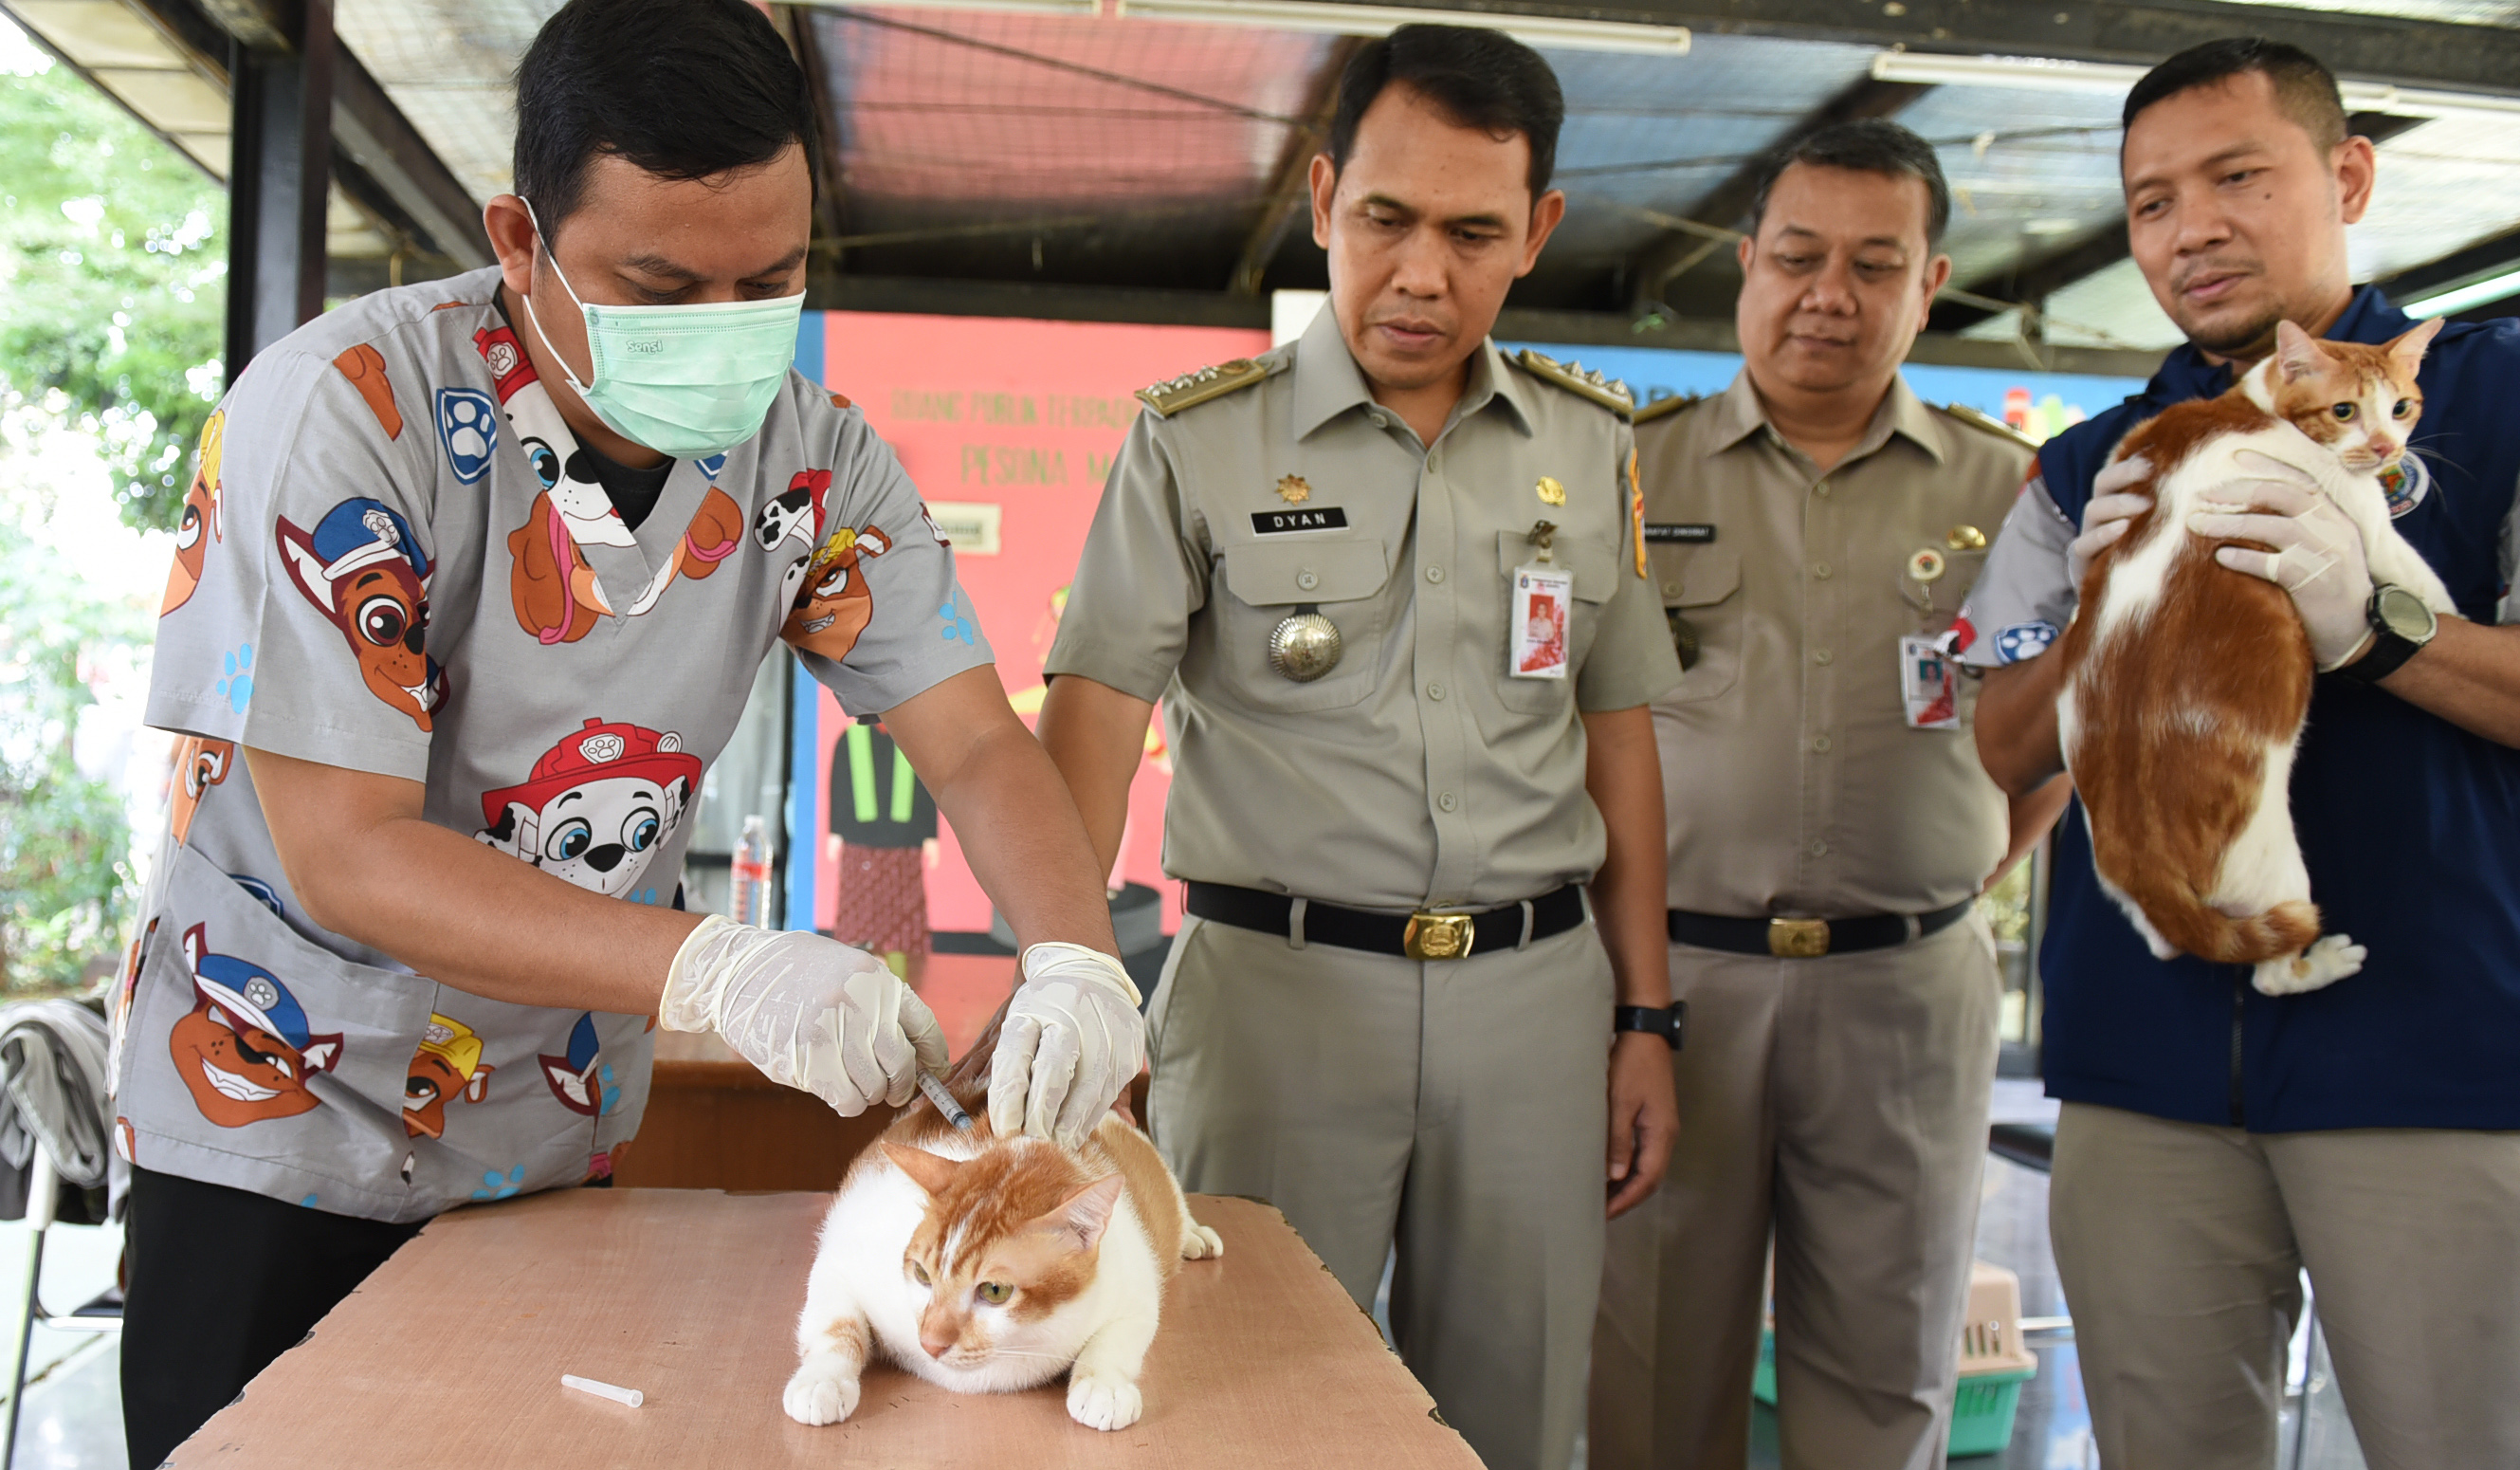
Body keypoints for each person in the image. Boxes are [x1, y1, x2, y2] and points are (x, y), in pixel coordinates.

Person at [116, 1, 1142, 1462]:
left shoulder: (812, 461)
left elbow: (975, 742)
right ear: (519, 240)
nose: (720, 331)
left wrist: (1073, 960)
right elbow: (348, 851)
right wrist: (717, 967)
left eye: (767, 282)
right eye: (660, 287)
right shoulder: (348, 416)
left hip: (544, 1133)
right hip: (278, 1123)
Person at [1032, 26, 1683, 1470]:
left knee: (1513, 1418)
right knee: (1235, 1404)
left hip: (1534, 1006)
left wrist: (1647, 1015)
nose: (1421, 274)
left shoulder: (1590, 447)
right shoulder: (1197, 443)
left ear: (1538, 232)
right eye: (1386, 218)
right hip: (1273, 1001)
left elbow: (1620, 736)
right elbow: (1094, 719)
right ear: (1324, 200)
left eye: (1473, 233)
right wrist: (1064, 983)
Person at [1963, 38, 2520, 1470]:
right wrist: (2097, 622)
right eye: (2152, 202)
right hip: (2139, 1068)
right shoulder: (2089, 459)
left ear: (2347, 176)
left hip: (2434, 1056)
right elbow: (2002, 746)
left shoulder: (2494, 401)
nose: (2191, 228)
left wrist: (2381, 632)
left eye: (2235, 177)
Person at [1587, 119, 2068, 1470]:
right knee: (1648, 1363)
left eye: (1874, 263)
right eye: (1798, 257)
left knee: (1886, 1368)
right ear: (1746, 263)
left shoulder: (2009, 491)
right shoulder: (1625, 471)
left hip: (1904, 991)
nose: (1829, 295)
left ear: (1930, 282)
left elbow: (2050, 741)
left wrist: (1959, 867)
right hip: (1668, 986)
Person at [828, 715, 939, 982]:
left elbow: (927, 788)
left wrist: (930, 835)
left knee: (904, 915)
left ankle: (905, 982)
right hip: (859, 843)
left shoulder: (914, 738)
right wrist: (835, 831)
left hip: (905, 843)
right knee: (859, 914)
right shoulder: (851, 738)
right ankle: (854, 978)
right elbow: (839, 785)